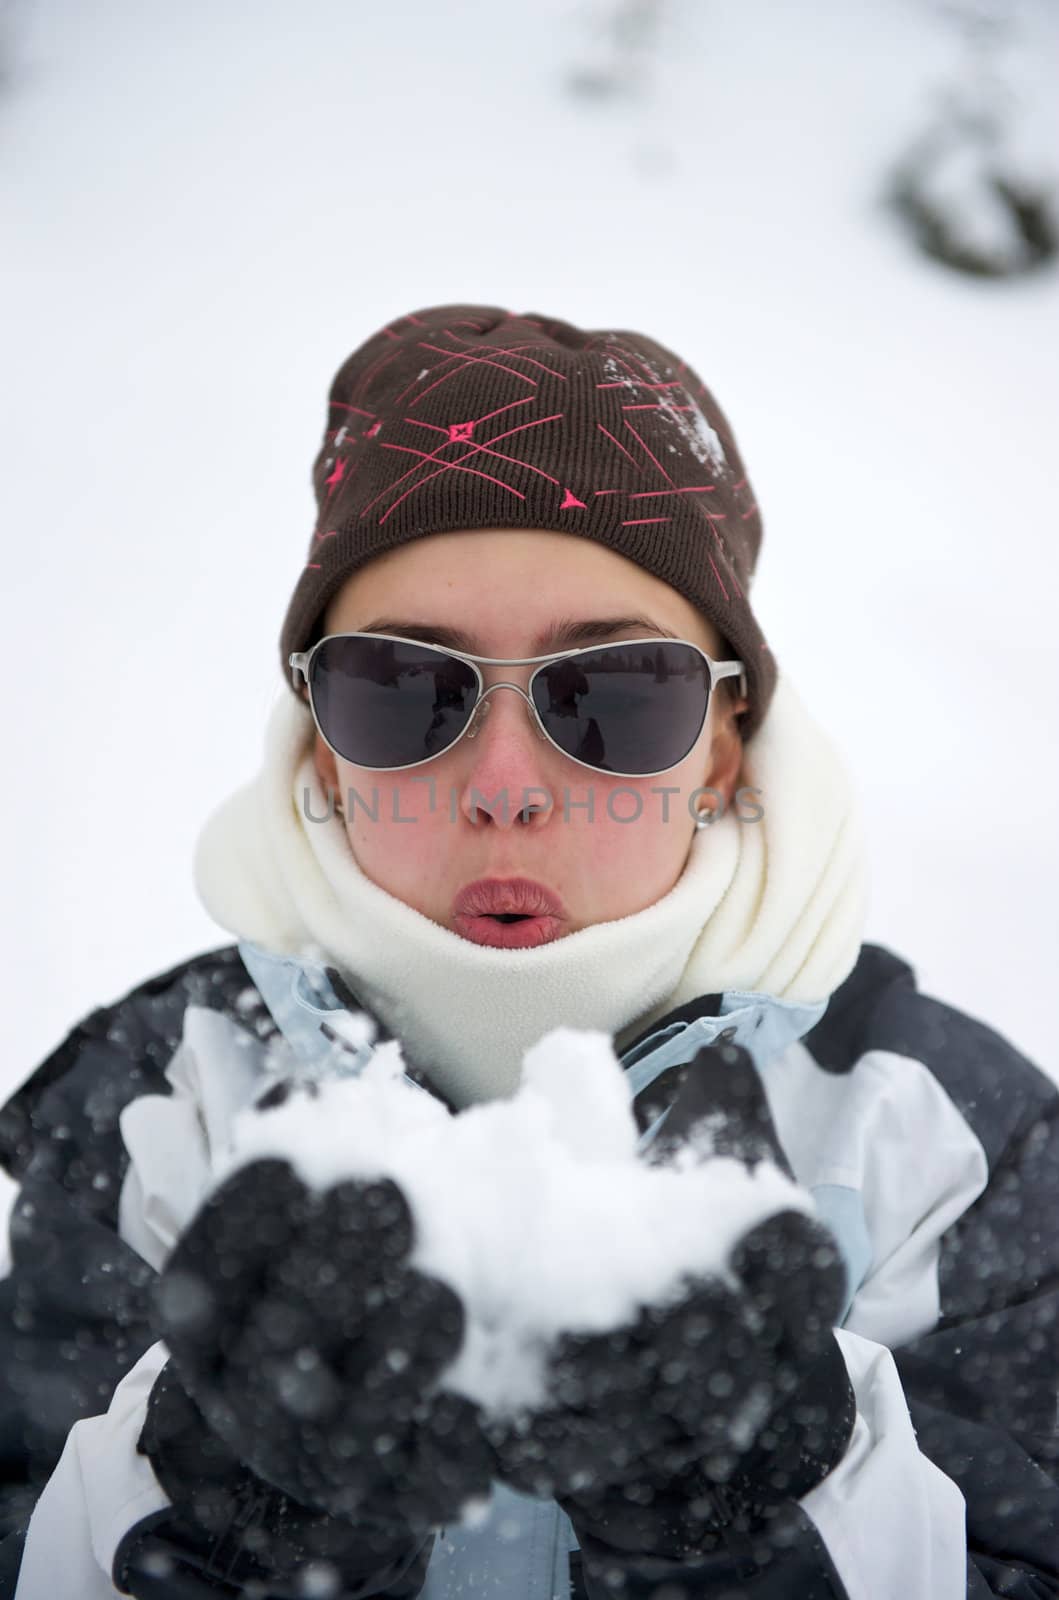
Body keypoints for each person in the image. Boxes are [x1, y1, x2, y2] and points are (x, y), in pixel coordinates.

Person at [0, 304, 1055, 1600]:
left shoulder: (946, 1145)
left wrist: (779, 1522)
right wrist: (207, 1517)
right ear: (322, 744)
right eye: (401, 688)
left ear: (720, 751)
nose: (505, 784)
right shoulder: (155, 1110)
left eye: (614, 692)